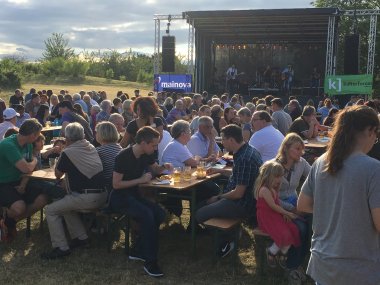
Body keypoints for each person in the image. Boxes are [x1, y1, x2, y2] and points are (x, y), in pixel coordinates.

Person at [297, 105, 380, 285]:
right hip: (359, 269)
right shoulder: (374, 169)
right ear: (370, 131)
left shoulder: (320, 162)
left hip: (323, 264)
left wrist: (336, 209)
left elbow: (302, 204)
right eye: (377, 135)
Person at [109, 126, 173, 277]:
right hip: (119, 197)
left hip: (134, 195)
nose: (156, 148)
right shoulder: (123, 156)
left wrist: (164, 167)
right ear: (143, 143)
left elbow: (155, 169)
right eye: (154, 145)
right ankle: (151, 262)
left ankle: (138, 250)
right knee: (148, 215)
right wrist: (140, 180)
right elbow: (116, 184)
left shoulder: (146, 153)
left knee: (159, 213)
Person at [41, 123, 107, 259]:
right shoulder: (91, 146)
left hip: (86, 198)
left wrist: (61, 153)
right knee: (65, 205)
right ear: (83, 135)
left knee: (50, 210)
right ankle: (81, 238)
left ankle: (61, 247)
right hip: (102, 195)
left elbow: (58, 174)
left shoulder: (68, 152)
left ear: (66, 137)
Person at [196, 124, 262, 256]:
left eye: (223, 139)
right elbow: (240, 175)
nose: (222, 142)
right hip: (243, 199)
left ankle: (228, 239)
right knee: (203, 203)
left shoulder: (244, 158)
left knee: (199, 214)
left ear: (231, 140)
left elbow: (238, 193)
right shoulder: (248, 150)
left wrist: (218, 198)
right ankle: (232, 230)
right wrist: (219, 170)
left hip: (242, 204)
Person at [0, 119, 50, 241]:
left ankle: (9, 222)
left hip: (21, 180)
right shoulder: (8, 145)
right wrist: (35, 160)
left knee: (43, 198)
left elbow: (29, 171)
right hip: (3, 183)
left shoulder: (27, 143)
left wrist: (23, 184)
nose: (39, 137)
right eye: (38, 135)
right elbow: (27, 167)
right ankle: (6, 218)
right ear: (32, 135)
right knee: (19, 207)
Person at [274, 133, 311, 282]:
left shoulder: (301, 163)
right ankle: (291, 266)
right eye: (297, 149)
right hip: (276, 207)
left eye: (302, 149)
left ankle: (297, 261)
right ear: (286, 148)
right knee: (301, 228)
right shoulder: (273, 166)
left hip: (295, 204)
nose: (301, 152)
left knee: (312, 223)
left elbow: (315, 176)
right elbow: (269, 197)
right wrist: (291, 208)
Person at [254, 161, 300, 268]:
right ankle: (272, 252)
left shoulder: (273, 189)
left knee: (293, 229)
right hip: (267, 218)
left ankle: (283, 252)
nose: (280, 179)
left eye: (281, 176)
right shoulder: (264, 190)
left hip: (275, 215)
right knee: (283, 233)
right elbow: (273, 206)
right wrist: (287, 212)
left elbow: (277, 204)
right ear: (268, 176)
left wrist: (284, 215)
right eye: (277, 176)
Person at [95, 122, 122, 190]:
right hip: (120, 183)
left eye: (97, 132)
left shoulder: (98, 151)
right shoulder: (120, 149)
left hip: (107, 186)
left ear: (101, 134)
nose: (96, 134)